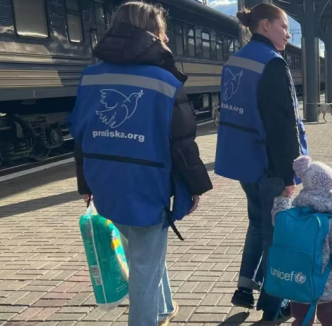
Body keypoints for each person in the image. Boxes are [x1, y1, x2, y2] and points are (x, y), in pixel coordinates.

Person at [69, 2, 212, 326]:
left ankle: (163, 308)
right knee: (145, 264)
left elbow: (80, 134)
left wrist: (86, 184)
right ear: (152, 32)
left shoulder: (90, 77)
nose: (166, 37)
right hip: (148, 186)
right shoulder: (164, 80)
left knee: (145, 254)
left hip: (106, 181)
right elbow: (181, 142)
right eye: (162, 30)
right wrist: (195, 186)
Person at [214, 2, 307, 322]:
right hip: (269, 165)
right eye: (284, 27)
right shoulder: (272, 64)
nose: (288, 35)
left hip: (244, 162)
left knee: (257, 222)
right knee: (275, 234)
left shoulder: (235, 61)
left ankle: (244, 287)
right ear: (265, 25)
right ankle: (274, 303)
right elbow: (282, 124)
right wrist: (289, 174)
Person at [271, 155, 332, 326]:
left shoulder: (292, 216)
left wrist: (283, 200)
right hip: (326, 287)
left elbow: (278, 220)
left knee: (301, 318)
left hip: (298, 282)